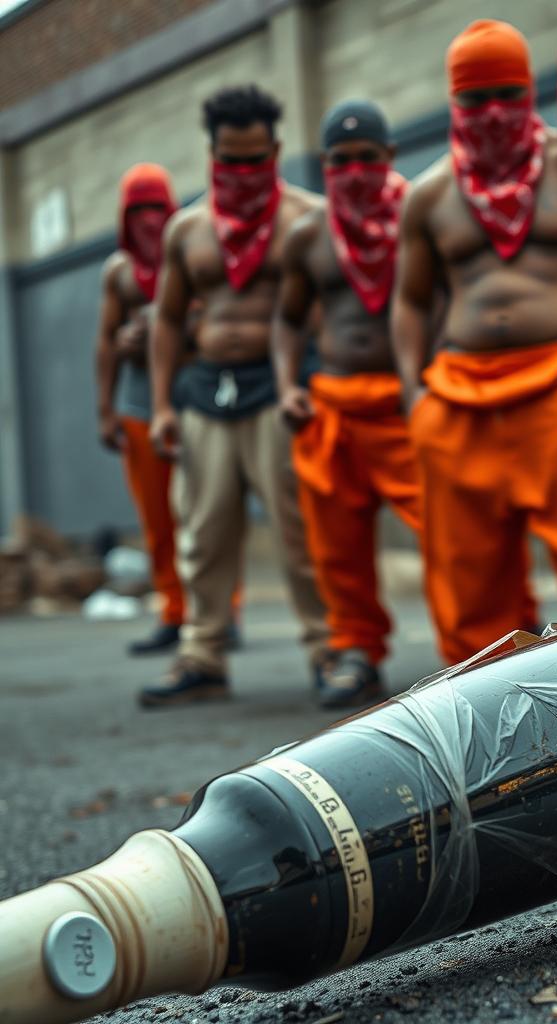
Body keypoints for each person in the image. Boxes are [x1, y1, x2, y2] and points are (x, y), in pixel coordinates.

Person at [392, 19, 557, 665]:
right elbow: (410, 301)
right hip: (456, 400)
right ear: (453, 104)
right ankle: (494, 728)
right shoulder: (428, 195)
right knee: (468, 586)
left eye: (506, 95)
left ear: (530, 92)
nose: (491, 115)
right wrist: (413, 397)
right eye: (473, 100)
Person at [144, 85, 328, 707]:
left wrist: (316, 388)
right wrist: (164, 405)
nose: (244, 173)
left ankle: (329, 651)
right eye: (232, 161)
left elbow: (326, 312)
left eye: (256, 160)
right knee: (202, 535)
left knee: (302, 532)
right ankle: (203, 656)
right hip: (203, 397)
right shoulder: (187, 230)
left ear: (276, 150)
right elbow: (167, 320)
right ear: (212, 155)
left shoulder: (307, 218)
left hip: (281, 393)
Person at [272, 99, 419, 708]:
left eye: (367, 158)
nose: (354, 171)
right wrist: (288, 387)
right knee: (337, 548)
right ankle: (356, 652)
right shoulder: (309, 234)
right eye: (340, 161)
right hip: (332, 404)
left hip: (408, 404)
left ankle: (482, 647)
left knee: (458, 535)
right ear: (324, 165)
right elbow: (286, 322)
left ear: (389, 158)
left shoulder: (423, 214)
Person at [95, 164, 186, 654]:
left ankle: (221, 613)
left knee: (205, 518)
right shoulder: (119, 272)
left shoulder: (188, 252)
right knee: (158, 522)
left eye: (156, 207)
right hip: (137, 406)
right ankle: (174, 611)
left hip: (190, 403)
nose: (149, 220)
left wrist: (171, 327)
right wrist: (104, 409)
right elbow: (105, 343)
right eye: (138, 210)